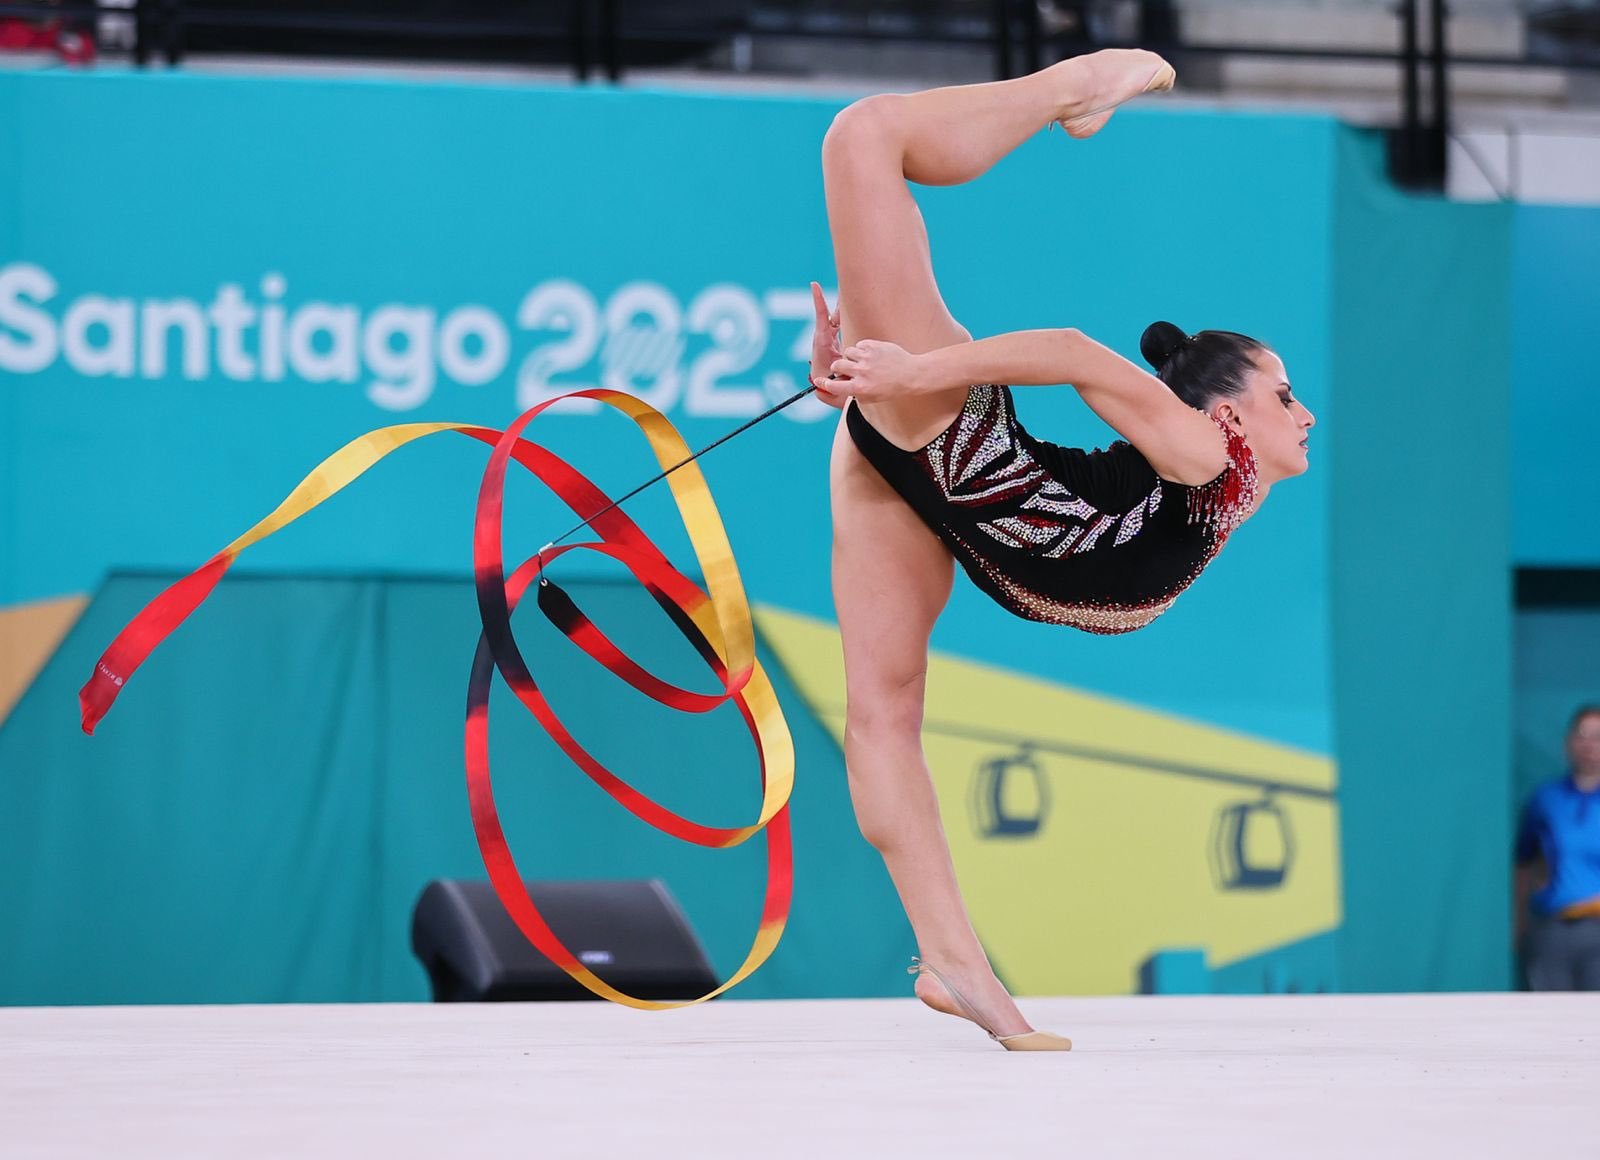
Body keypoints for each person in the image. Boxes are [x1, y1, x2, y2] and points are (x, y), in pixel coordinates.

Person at [803, 48, 1316, 1050]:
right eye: (1284, 393)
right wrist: (911, 368)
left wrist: (883, 356)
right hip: (950, 441)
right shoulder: (1204, 448)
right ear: (1225, 412)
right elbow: (1077, 351)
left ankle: (955, 963)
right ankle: (1067, 88)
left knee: (884, 716)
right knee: (864, 135)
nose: (1305, 412)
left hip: (937, 469)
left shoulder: (1218, 481)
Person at [1515, 705, 1600, 991]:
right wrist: (1519, 924)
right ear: (1569, 741)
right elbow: (1523, 862)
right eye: (1583, 735)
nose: (1590, 745)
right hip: (1554, 927)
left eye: (1598, 736)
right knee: (1551, 1019)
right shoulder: (1546, 799)